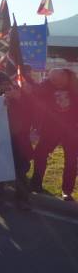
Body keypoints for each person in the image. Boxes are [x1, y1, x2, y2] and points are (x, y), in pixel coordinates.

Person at [29, 68, 78, 201]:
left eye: (57, 81)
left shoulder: (75, 85)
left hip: (71, 129)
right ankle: (36, 183)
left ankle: (67, 191)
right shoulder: (47, 84)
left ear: (65, 77)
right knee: (40, 154)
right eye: (52, 81)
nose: (55, 84)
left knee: (71, 160)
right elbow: (35, 91)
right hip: (51, 127)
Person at [0, 73, 32, 210]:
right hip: (0, 140)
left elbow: (30, 115)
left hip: (18, 141)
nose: (4, 87)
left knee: (20, 170)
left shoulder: (19, 98)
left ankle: (22, 199)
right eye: (0, 84)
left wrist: (18, 99)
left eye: (6, 84)